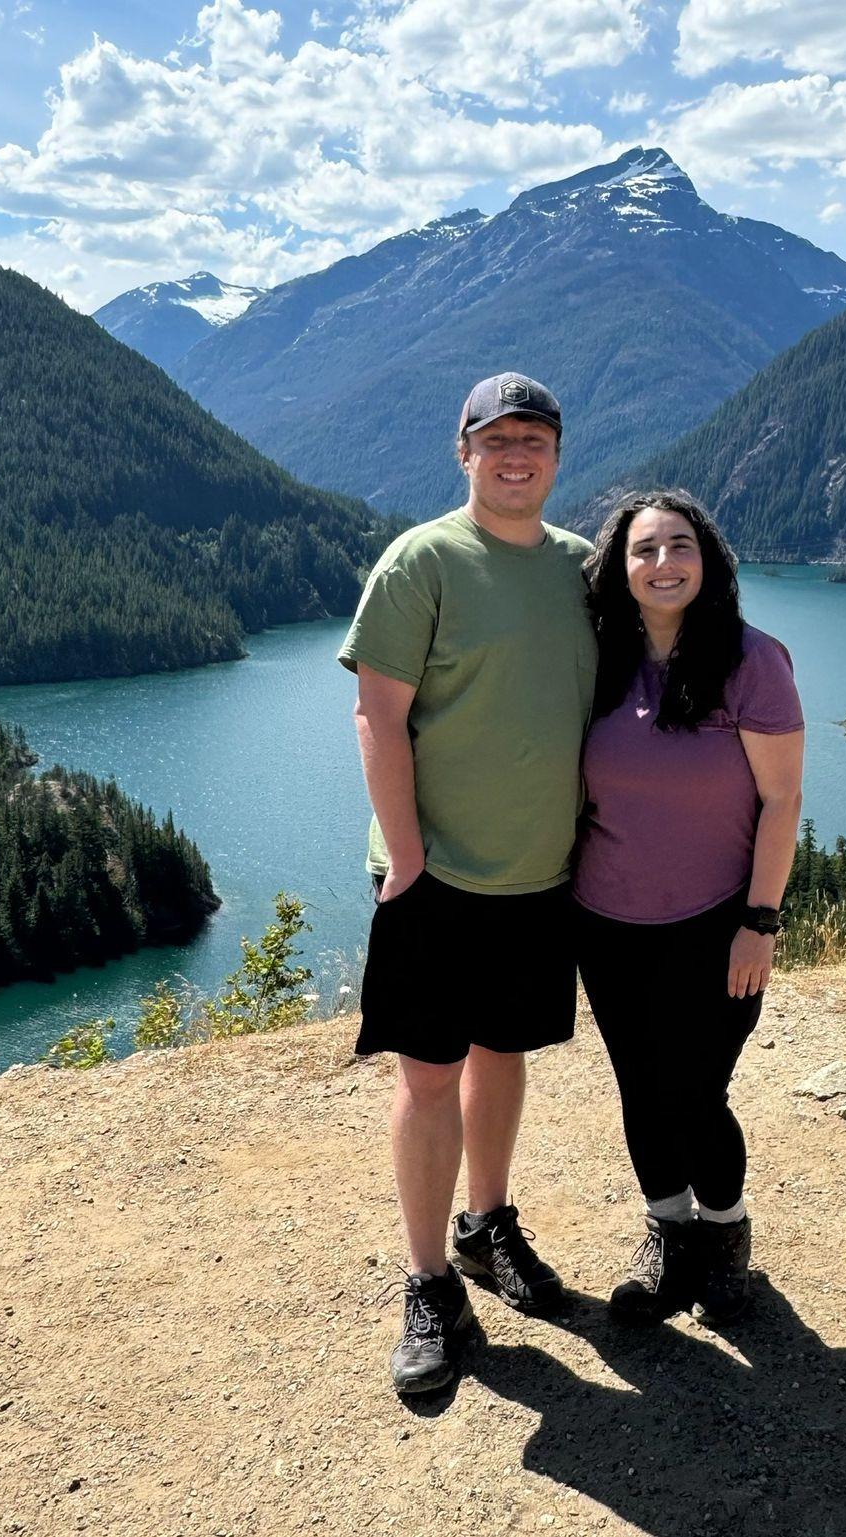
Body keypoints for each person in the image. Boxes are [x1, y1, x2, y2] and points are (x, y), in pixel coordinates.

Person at [338, 373, 595, 1394]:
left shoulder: (582, 570)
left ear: (557, 454)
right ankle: (430, 1281)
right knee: (429, 1076)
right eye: (498, 439)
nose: (516, 453)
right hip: (433, 880)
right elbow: (378, 716)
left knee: (505, 1052)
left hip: (540, 878)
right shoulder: (422, 560)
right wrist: (406, 861)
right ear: (465, 453)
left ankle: (488, 1227)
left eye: (534, 436)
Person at [573, 489, 805, 1324]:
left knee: (697, 1091)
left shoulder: (751, 661)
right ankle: (668, 1233)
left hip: (716, 925)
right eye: (644, 549)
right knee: (641, 1084)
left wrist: (760, 921)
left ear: (708, 561)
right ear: (619, 567)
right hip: (604, 922)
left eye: (680, 545)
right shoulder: (598, 661)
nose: (663, 563)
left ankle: (724, 1232)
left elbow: (782, 800)